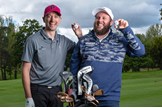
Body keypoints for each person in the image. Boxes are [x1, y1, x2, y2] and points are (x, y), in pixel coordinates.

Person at [70, 7, 145, 107]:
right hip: (84, 97)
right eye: (98, 17)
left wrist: (126, 30)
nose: (100, 20)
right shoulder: (83, 40)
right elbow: (74, 68)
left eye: (104, 18)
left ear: (111, 22)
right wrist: (73, 91)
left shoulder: (119, 39)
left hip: (110, 98)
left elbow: (140, 52)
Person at [21, 4, 81, 107]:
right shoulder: (32, 40)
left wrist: (79, 35)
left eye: (56, 16)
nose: (52, 20)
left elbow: (82, 50)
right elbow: (25, 69)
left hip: (57, 91)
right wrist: (28, 97)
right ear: (43, 19)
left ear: (60, 19)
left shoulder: (64, 41)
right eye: (49, 16)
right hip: (37, 90)